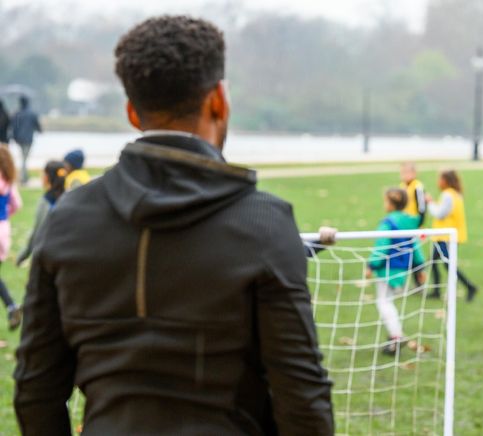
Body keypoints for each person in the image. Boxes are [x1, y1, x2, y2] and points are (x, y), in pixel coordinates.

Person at [14, 16, 333, 435]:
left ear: (132, 111)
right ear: (218, 100)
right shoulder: (263, 224)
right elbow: (303, 399)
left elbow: (36, 392)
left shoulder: (67, 219)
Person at [366, 188, 426, 355]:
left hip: (387, 268)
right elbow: (415, 245)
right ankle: (395, 338)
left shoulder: (388, 223)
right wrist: (420, 266)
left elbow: (381, 246)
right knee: (388, 300)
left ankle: (396, 336)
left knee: (384, 302)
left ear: (391, 203)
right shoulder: (409, 222)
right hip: (402, 268)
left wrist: (371, 265)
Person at [426, 169, 478, 301]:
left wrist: (430, 203)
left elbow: (440, 213)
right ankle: (436, 291)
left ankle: (470, 287)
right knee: (434, 262)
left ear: (446, 181)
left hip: (446, 237)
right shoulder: (456, 194)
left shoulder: (448, 195)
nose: (438, 182)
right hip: (446, 236)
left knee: (447, 264)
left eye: (440, 179)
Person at [16, 161, 66, 267]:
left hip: (47, 255)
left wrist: (24, 255)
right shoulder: (70, 197)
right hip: (66, 253)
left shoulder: (45, 202)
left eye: (43, 174)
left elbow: (38, 232)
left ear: (47, 177)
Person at [0, 145, 22, 329]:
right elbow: (17, 205)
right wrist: (5, 216)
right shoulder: (8, 181)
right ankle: (11, 306)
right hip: (3, 230)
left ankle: (11, 306)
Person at [10, 96, 42, 185]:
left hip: (19, 139)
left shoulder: (17, 113)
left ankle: (23, 176)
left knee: (24, 157)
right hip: (28, 139)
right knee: (24, 158)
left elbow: (14, 127)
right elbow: (37, 125)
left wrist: (14, 137)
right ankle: (23, 177)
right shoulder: (32, 114)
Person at [400, 162, 426, 228]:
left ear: (414, 173)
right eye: (403, 172)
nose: (405, 175)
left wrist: (420, 223)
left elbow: (421, 207)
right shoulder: (402, 186)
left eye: (408, 172)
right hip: (403, 221)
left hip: (414, 221)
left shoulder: (418, 186)